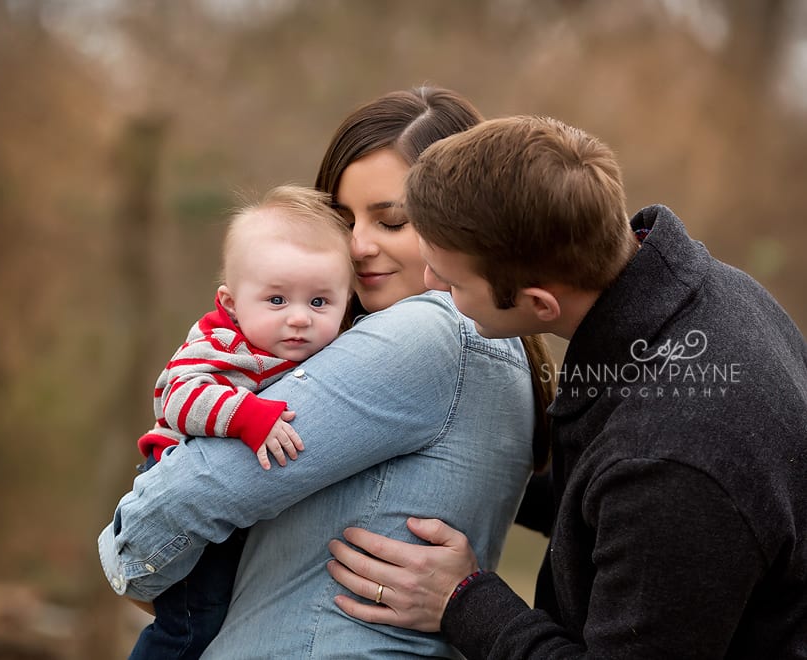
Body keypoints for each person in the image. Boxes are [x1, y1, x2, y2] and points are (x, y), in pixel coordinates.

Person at [325, 115, 807, 658]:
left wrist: (462, 601)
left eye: (453, 282)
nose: (432, 282)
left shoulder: (671, 466)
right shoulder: (692, 296)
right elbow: (599, 493)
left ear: (539, 303)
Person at [98, 87, 555, 658]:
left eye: (392, 221)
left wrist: (137, 566)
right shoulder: (499, 347)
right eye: (341, 220)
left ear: (463, 221)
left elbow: (195, 493)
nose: (357, 246)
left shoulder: (424, 334)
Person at [128, 185, 353, 659]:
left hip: (236, 505)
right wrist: (248, 417)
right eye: (277, 300)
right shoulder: (223, 345)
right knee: (192, 624)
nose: (299, 319)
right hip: (182, 486)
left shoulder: (317, 349)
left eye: (319, 302)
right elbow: (177, 398)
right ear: (231, 303)